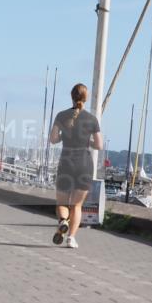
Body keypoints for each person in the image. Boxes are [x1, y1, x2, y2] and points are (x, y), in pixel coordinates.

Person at [48, 83, 104, 249]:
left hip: (66, 163)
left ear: (71, 97)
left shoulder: (61, 116)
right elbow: (99, 145)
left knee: (62, 203)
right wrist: (88, 141)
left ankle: (63, 221)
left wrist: (63, 138)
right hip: (84, 165)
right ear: (85, 98)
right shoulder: (92, 119)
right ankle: (71, 238)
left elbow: (53, 139)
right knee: (77, 206)